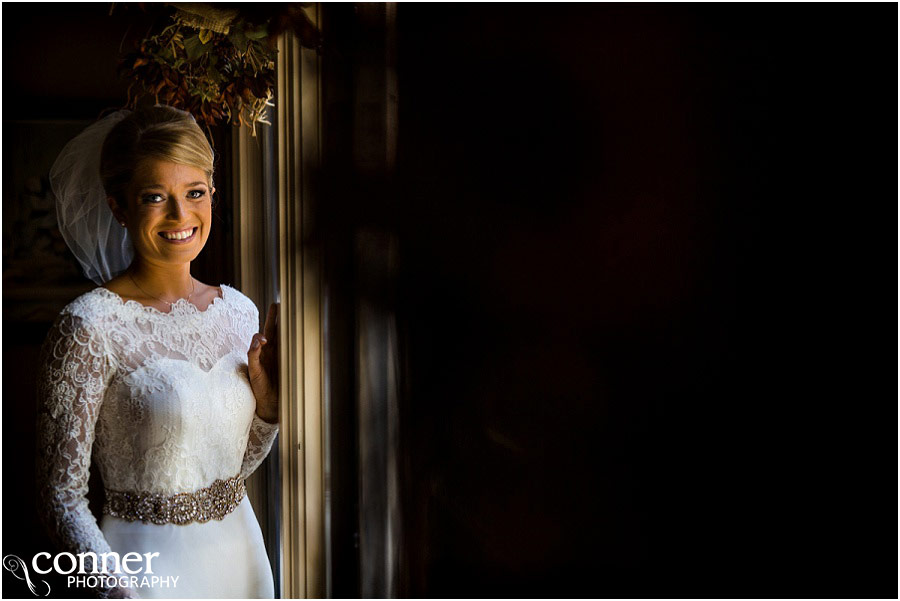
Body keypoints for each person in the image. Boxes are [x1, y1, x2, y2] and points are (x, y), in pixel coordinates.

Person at [36, 105, 280, 598]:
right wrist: (123, 592)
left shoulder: (240, 312)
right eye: (155, 197)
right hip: (145, 571)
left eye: (194, 193)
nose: (180, 215)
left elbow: (228, 468)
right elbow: (61, 498)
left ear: (213, 194)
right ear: (119, 206)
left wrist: (269, 412)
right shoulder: (88, 326)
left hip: (242, 560)